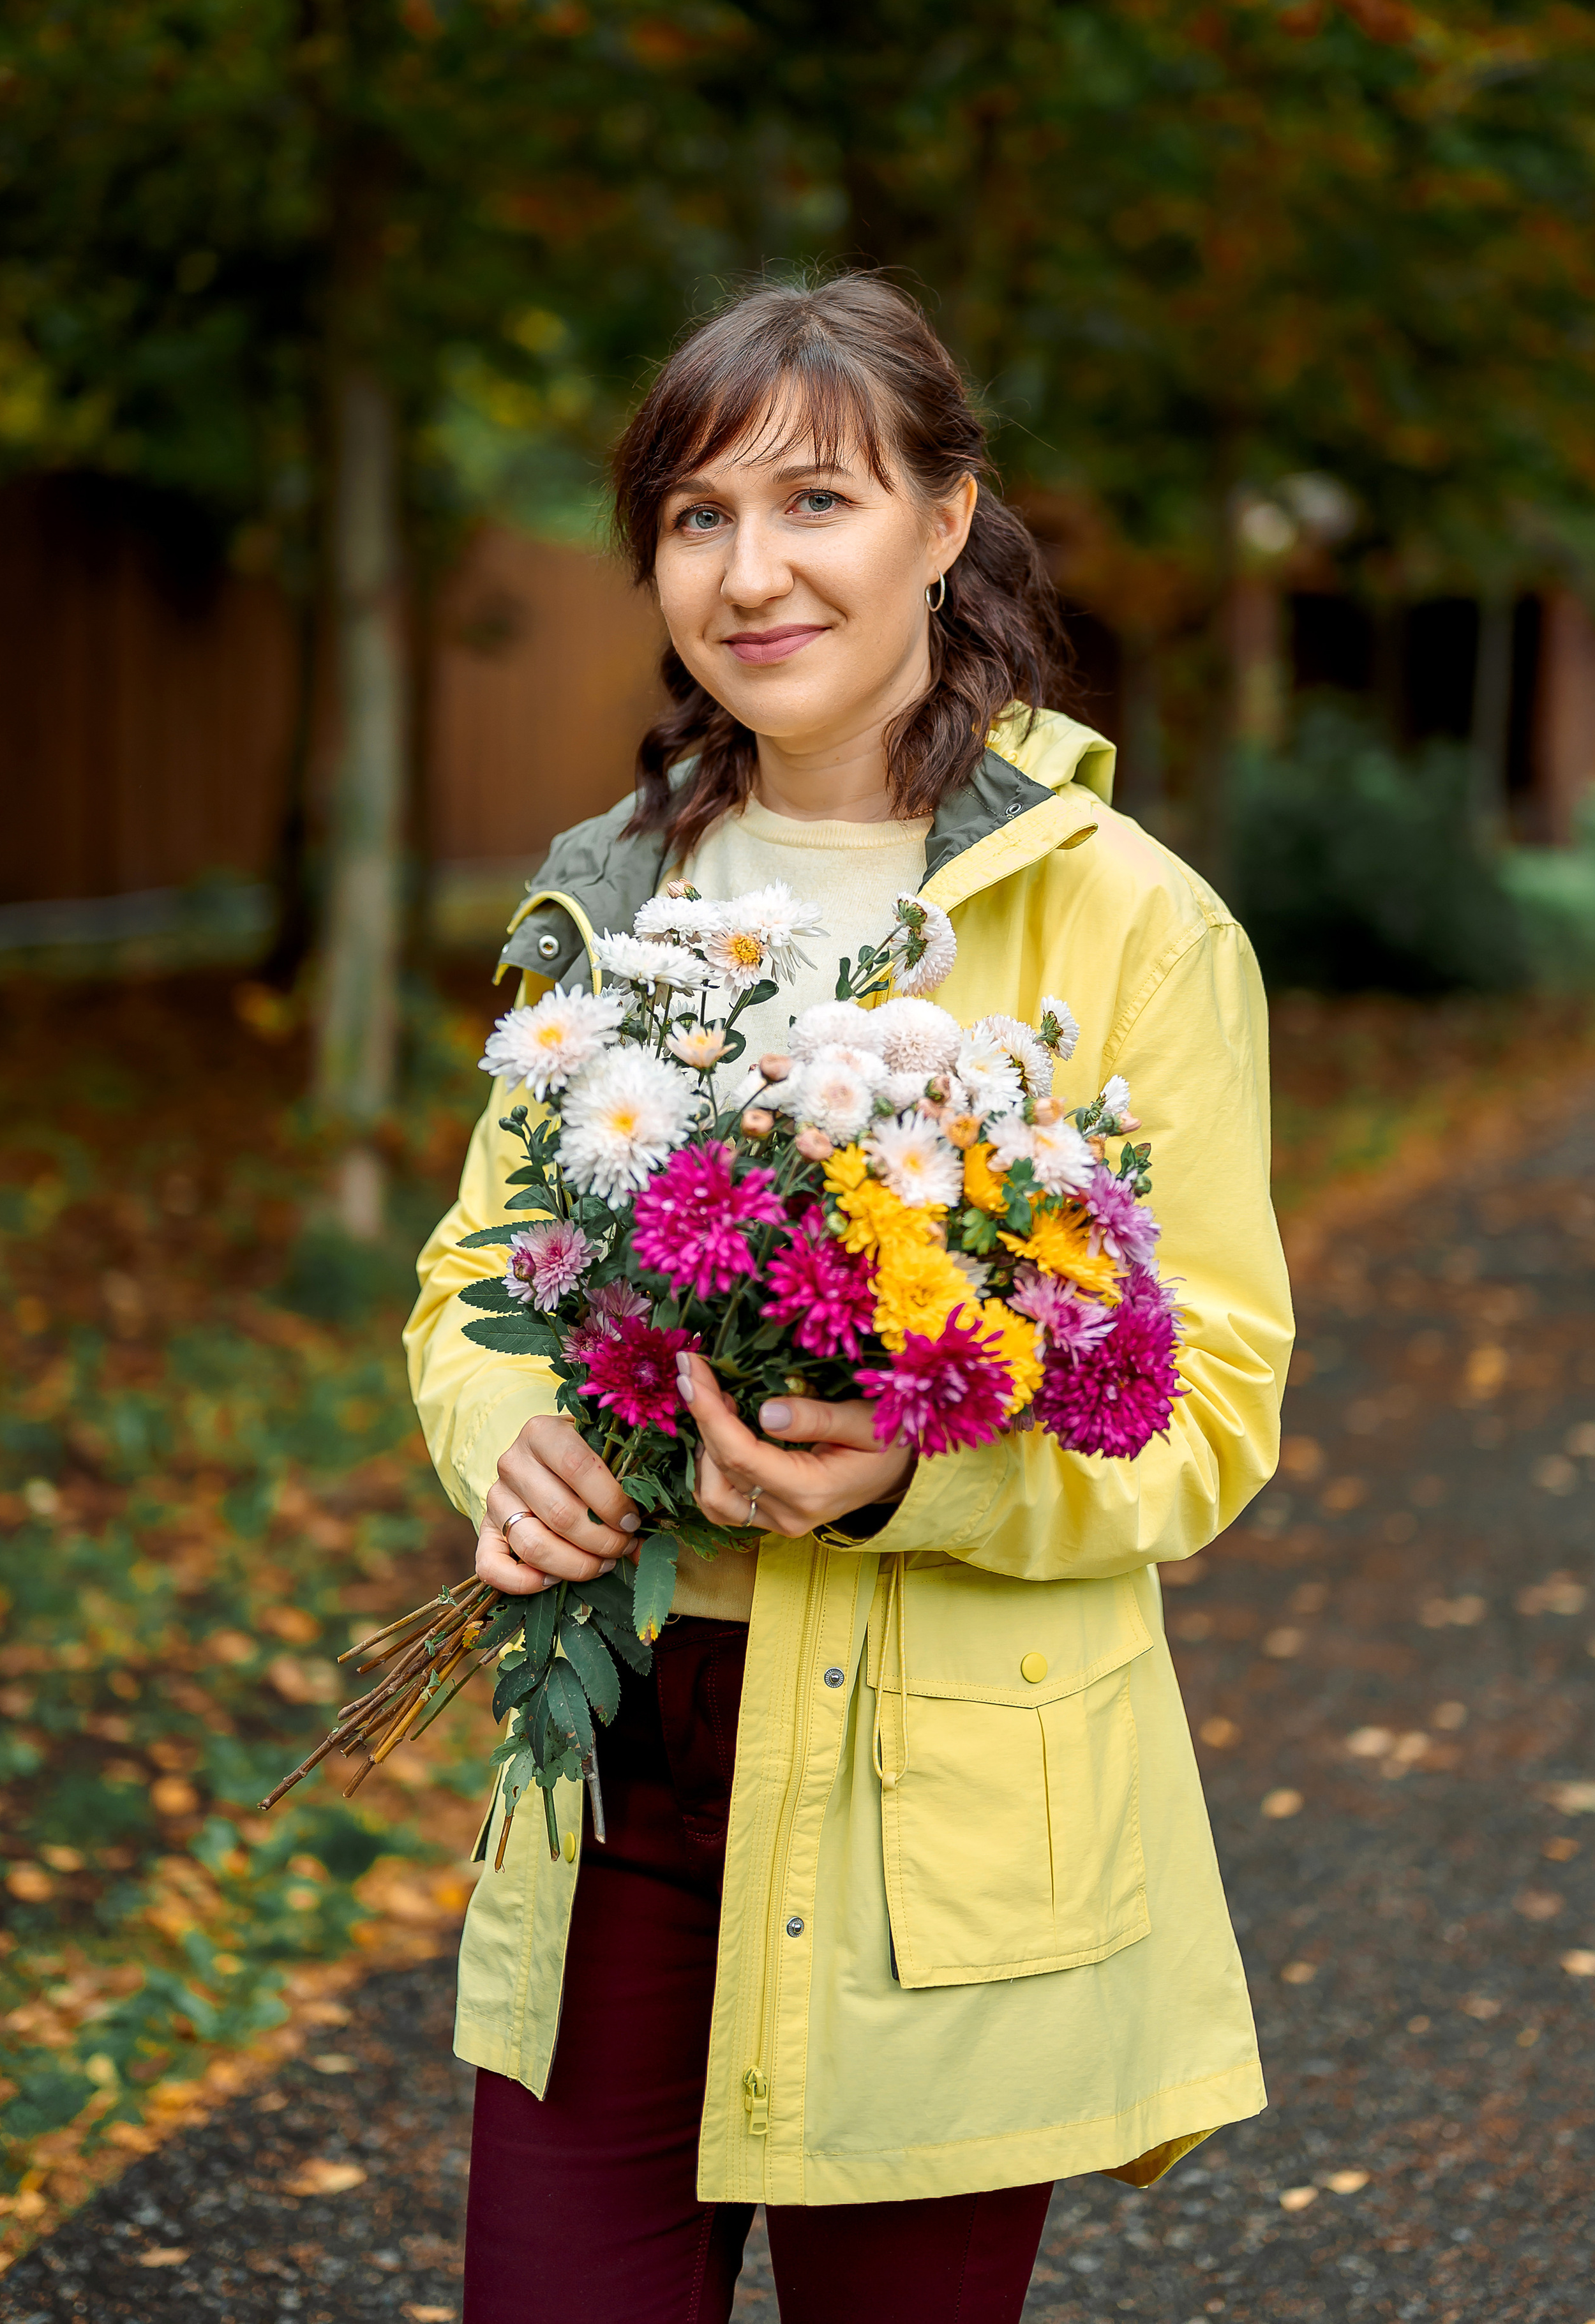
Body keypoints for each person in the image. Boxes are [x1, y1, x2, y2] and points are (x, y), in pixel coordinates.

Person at [405, 273, 1293, 2324]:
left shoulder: (1127, 920)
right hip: (611, 1747)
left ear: (947, 519)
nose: (752, 569)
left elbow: (1213, 1409)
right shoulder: (608, 894)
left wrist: (914, 1481)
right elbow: (479, 1275)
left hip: (944, 1814)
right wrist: (511, 1442)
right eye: (696, 515)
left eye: (819, 500)